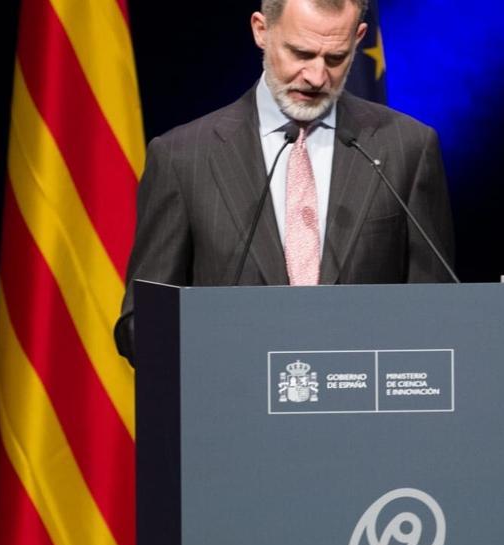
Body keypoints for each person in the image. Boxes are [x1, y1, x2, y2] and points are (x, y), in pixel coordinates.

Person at [114, 0, 455, 364]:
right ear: (261, 30)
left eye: (336, 58)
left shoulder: (407, 148)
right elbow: (140, 324)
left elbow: (439, 311)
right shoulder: (183, 158)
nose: (316, 76)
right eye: (300, 53)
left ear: (358, 39)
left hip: (366, 408)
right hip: (235, 407)